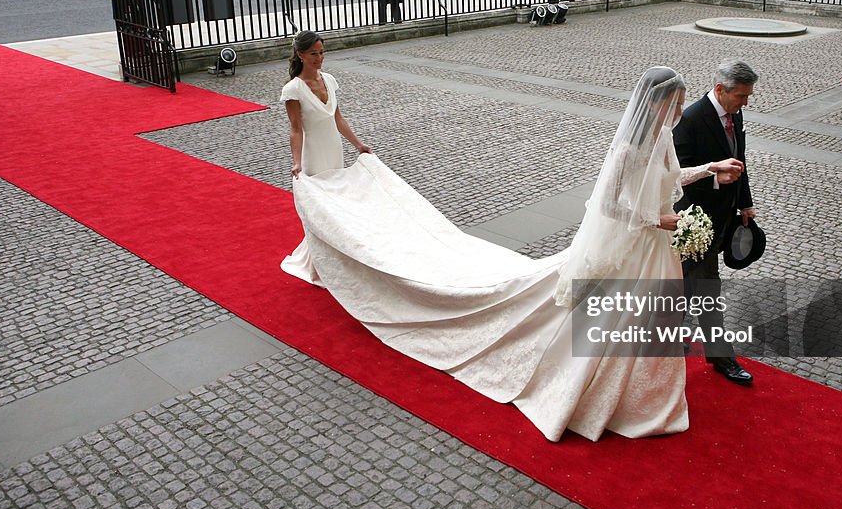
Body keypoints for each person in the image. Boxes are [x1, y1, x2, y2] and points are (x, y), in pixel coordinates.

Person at [282, 66, 743, 442]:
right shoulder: (625, 148)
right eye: (673, 103)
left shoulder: (663, 139)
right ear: (654, 103)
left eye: (680, 103)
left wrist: (709, 170)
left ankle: (652, 396)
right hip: (639, 245)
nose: (679, 110)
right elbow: (610, 205)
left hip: (657, 247)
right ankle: (613, 397)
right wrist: (660, 221)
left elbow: (669, 179)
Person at [673, 59, 758, 385]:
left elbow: (740, 162)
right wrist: (714, 178)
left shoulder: (735, 114)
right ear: (720, 89)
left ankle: (669, 341)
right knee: (705, 290)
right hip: (693, 224)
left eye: (748, 96)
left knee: (680, 289)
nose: (745, 103)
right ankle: (723, 359)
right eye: (741, 96)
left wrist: (745, 202)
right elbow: (675, 175)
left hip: (723, 218)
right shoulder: (691, 120)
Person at [280, 31, 372, 284]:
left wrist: (358, 145)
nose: (320, 58)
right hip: (313, 154)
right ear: (300, 55)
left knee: (336, 206)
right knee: (319, 210)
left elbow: (338, 119)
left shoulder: (330, 80)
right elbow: (296, 129)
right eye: (314, 54)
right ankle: (317, 265)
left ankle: (337, 258)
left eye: (322, 52)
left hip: (333, 150)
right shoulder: (293, 90)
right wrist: (297, 162)